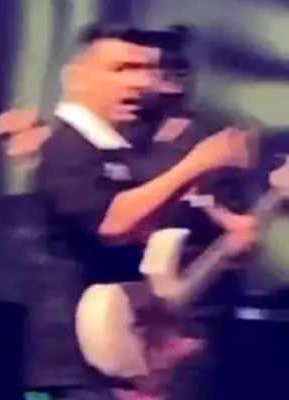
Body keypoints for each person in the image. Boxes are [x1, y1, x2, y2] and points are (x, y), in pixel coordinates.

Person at [24, 23, 256, 400]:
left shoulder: (121, 149)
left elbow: (151, 234)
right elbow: (112, 224)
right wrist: (199, 162)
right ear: (77, 77)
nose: (141, 83)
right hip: (81, 363)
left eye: (148, 70)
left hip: (129, 356)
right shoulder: (67, 147)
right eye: (122, 69)